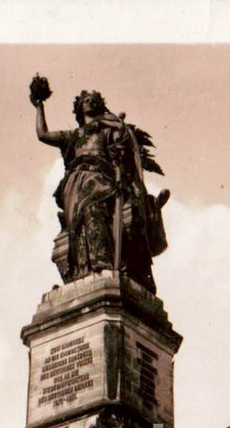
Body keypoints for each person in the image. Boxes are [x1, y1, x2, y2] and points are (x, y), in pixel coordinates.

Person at [32, 80, 169, 291]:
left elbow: (124, 155)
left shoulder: (108, 131)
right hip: (75, 183)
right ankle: (84, 267)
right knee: (79, 219)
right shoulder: (73, 136)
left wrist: (121, 143)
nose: (89, 102)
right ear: (79, 107)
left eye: (93, 100)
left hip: (101, 179)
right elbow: (43, 135)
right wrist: (39, 106)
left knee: (94, 205)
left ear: (99, 105)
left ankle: (102, 262)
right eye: (85, 100)